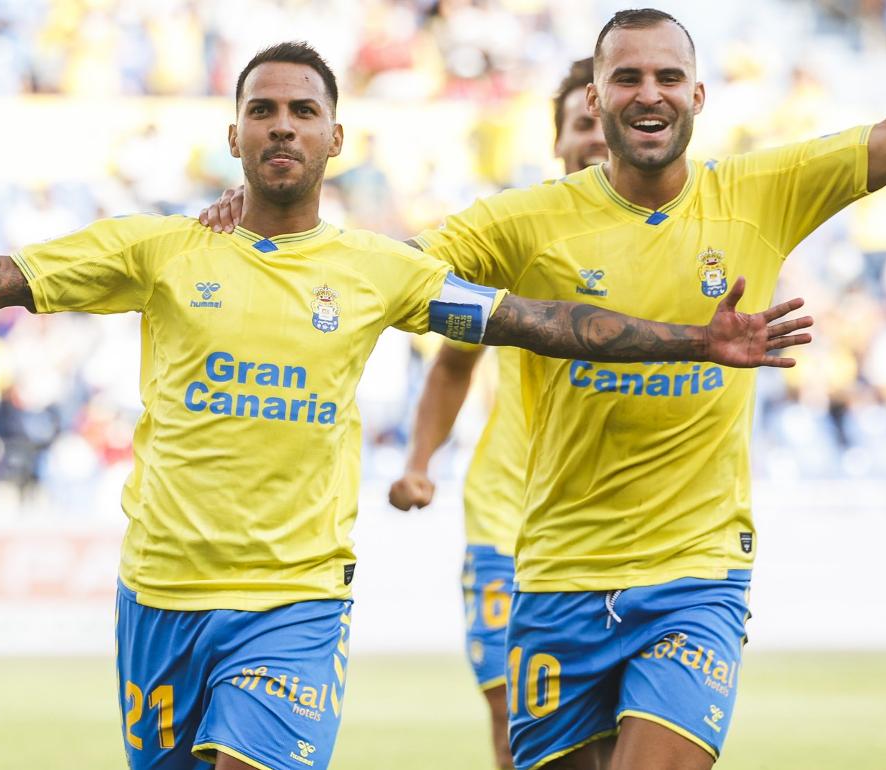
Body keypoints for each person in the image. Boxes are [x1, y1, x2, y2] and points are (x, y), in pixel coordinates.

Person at [0, 42, 812, 770]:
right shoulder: (160, 247)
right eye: (263, 110)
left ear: (337, 138)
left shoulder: (385, 268)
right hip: (158, 601)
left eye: (305, 110)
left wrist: (696, 341)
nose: (283, 125)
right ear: (234, 134)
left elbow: (537, 321)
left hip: (292, 607)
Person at [197, 11, 886, 769]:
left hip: (694, 573)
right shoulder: (523, 224)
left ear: (700, 95)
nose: (651, 94)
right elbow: (379, 272)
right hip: (554, 576)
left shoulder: (762, 190)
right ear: (596, 100)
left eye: (669, 77)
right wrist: (258, 220)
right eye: (628, 78)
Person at [386, 57, 602, 770]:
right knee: (516, 722)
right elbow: (453, 364)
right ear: (559, 142)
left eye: (607, 121)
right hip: (508, 517)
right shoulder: (516, 233)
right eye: (582, 123)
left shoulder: (684, 230)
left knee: (607, 736)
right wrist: (419, 461)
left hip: (620, 527)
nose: (598, 137)